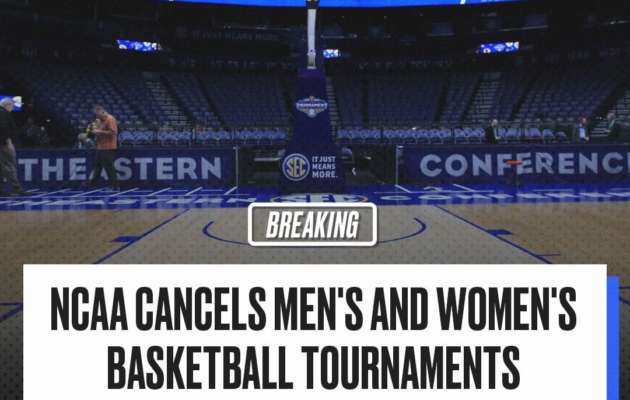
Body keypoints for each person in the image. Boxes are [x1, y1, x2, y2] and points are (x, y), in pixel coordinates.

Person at [0, 98, 28, 196]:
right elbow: (3, 128)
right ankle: (17, 188)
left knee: (2, 167)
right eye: (12, 105)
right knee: (10, 166)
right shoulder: (3, 113)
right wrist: (8, 142)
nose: (12, 107)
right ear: (7, 105)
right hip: (4, 144)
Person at [89, 105, 119, 189]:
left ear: (102, 112)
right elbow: (93, 131)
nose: (96, 116)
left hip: (108, 147)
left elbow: (113, 133)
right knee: (97, 166)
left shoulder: (110, 119)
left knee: (109, 167)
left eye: (97, 115)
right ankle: (92, 184)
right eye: (96, 115)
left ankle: (114, 185)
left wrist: (99, 131)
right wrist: (94, 132)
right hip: (100, 147)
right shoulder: (98, 120)